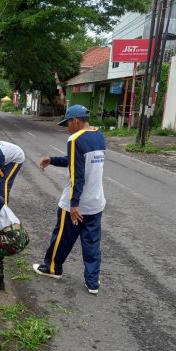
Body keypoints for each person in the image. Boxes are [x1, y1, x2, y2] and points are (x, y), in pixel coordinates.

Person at [32, 104, 106, 295]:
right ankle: (92, 282)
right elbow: (77, 161)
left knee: (62, 238)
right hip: (96, 202)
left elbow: (77, 175)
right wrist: (53, 159)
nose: (67, 128)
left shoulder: (74, 139)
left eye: (67, 123)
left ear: (75, 121)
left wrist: (74, 204)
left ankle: (53, 268)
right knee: (92, 243)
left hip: (75, 204)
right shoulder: (98, 135)